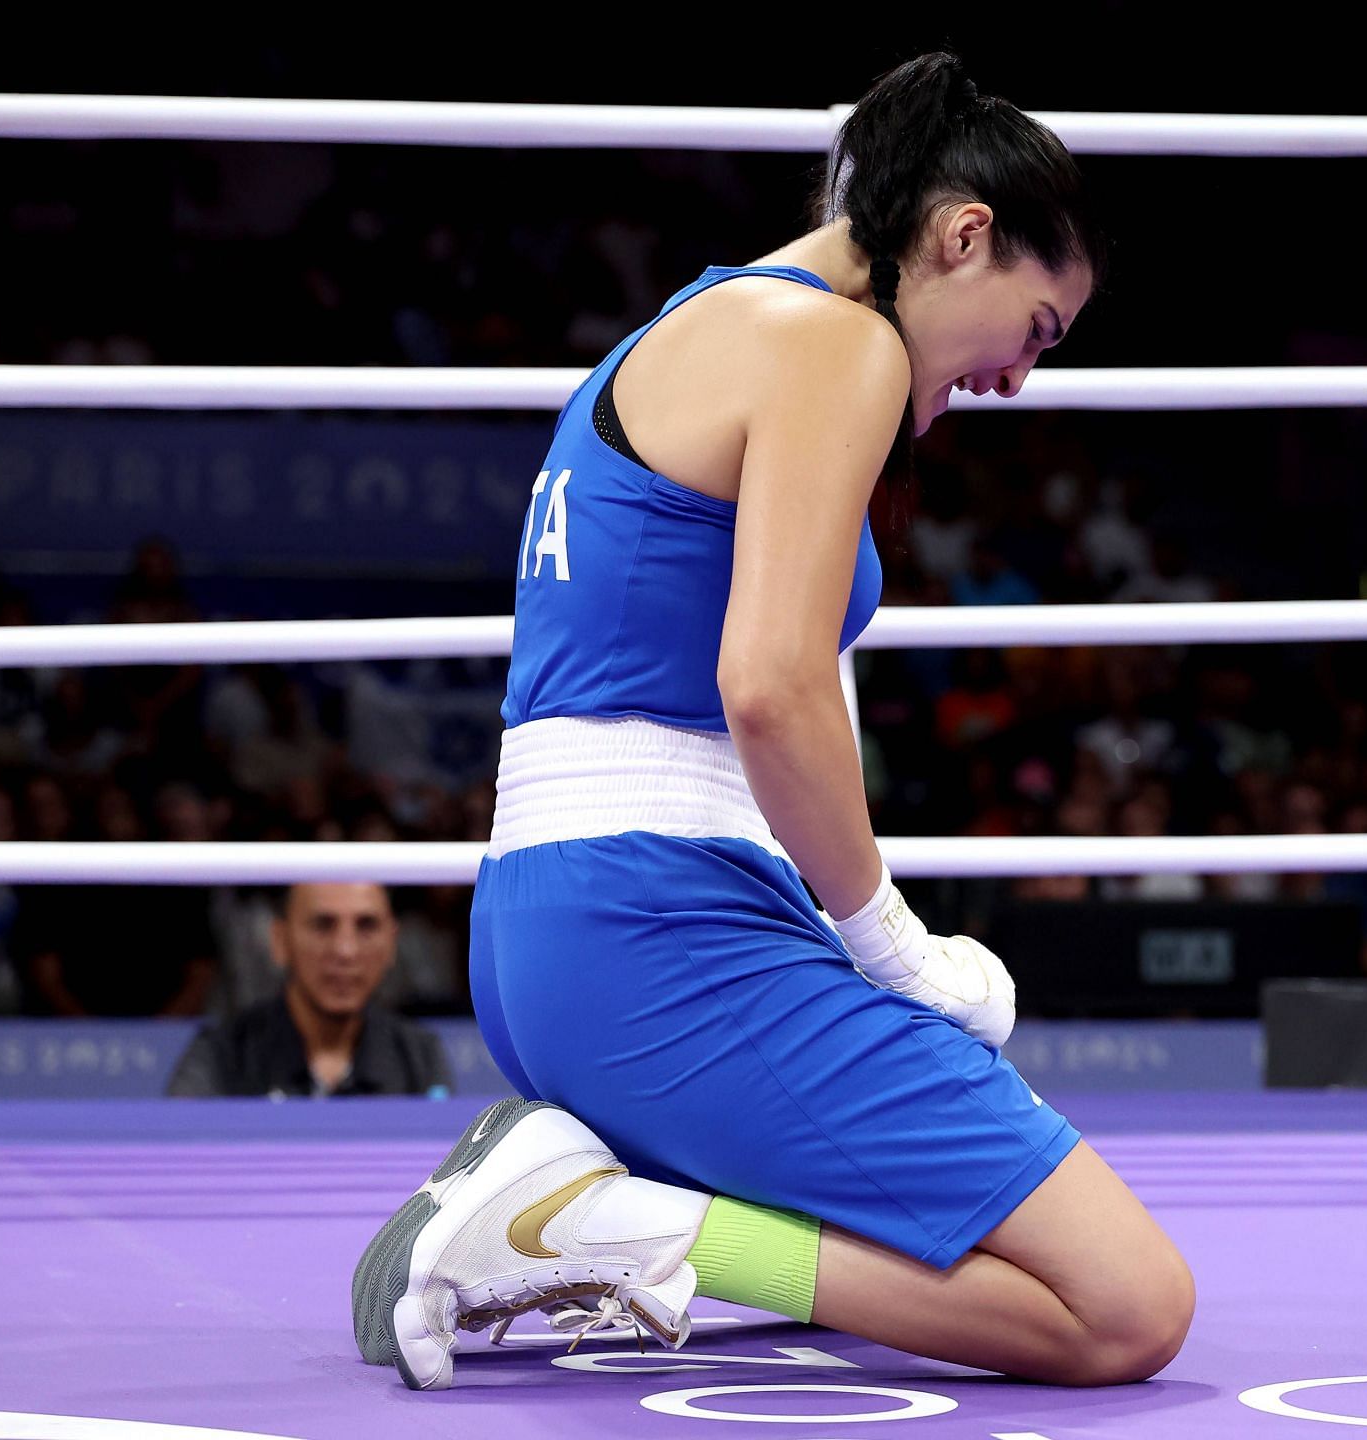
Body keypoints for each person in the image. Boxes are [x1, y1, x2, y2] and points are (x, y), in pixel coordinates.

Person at [350, 53, 1192, 1390]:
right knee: (1126, 1309)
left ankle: (592, 1199)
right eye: (1035, 330)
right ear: (965, 235)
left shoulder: (704, 319)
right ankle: (592, 1222)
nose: (1020, 380)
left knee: (925, 1266)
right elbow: (770, 685)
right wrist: (891, 946)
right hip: (653, 936)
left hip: (559, 939)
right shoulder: (836, 339)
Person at [167, 882, 450, 1098]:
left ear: (391, 943)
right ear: (280, 940)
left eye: (367, 925)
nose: (345, 951)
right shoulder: (221, 1055)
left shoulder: (419, 1056)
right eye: (322, 925)